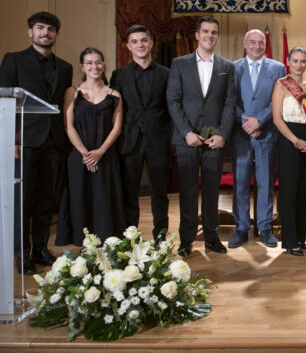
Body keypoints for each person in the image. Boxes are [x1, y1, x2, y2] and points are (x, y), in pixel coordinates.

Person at [0, 12, 72, 274]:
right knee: (23, 199)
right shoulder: (13, 60)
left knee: (45, 199)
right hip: (24, 142)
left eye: (51, 29)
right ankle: (21, 253)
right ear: (30, 31)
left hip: (54, 141)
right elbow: (5, 103)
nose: (45, 33)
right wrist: (13, 139)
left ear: (56, 34)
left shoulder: (65, 67)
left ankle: (40, 248)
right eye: (40, 28)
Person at [167, 17, 236, 257]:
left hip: (213, 139)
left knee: (211, 192)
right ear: (197, 35)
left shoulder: (227, 66)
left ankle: (211, 238)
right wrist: (186, 132)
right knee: (187, 192)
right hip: (187, 138)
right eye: (205, 31)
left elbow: (229, 104)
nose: (210, 35)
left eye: (214, 32)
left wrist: (223, 135)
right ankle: (186, 240)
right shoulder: (179, 64)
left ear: (218, 36)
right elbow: (173, 101)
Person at [56, 48, 126, 245]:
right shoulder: (72, 92)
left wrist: (99, 152)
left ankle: (107, 242)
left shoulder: (114, 94)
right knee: (80, 197)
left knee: (104, 197)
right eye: (89, 63)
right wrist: (86, 154)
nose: (94, 66)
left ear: (104, 65)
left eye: (98, 62)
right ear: (82, 66)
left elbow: (117, 128)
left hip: (105, 154)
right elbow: (68, 126)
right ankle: (83, 242)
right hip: (79, 155)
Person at [109, 26, 171, 242]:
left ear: (151, 42)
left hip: (158, 140)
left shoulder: (166, 73)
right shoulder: (119, 75)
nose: (140, 45)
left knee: (159, 194)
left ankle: (161, 239)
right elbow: (113, 109)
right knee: (129, 193)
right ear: (128, 46)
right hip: (129, 141)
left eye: (144, 40)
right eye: (134, 41)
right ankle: (130, 239)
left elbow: (171, 108)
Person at [229, 29, 285, 249]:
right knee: (240, 183)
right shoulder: (232, 68)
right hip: (241, 135)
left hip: (267, 134)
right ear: (245, 43)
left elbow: (277, 100)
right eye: (252, 42)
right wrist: (247, 123)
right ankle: (242, 227)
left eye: (261, 42)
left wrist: (259, 121)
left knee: (265, 183)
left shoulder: (278, 68)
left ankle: (265, 227)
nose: (257, 46)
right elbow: (229, 100)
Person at [272, 47, 306, 256]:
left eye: (303, 61)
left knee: (304, 192)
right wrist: (296, 141)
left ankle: (301, 237)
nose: (299, 65)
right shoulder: (281, 85)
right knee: (289, 191)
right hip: (289, 142)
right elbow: (276, 119)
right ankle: (290, 239)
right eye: (295, 60)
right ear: (288, 61)